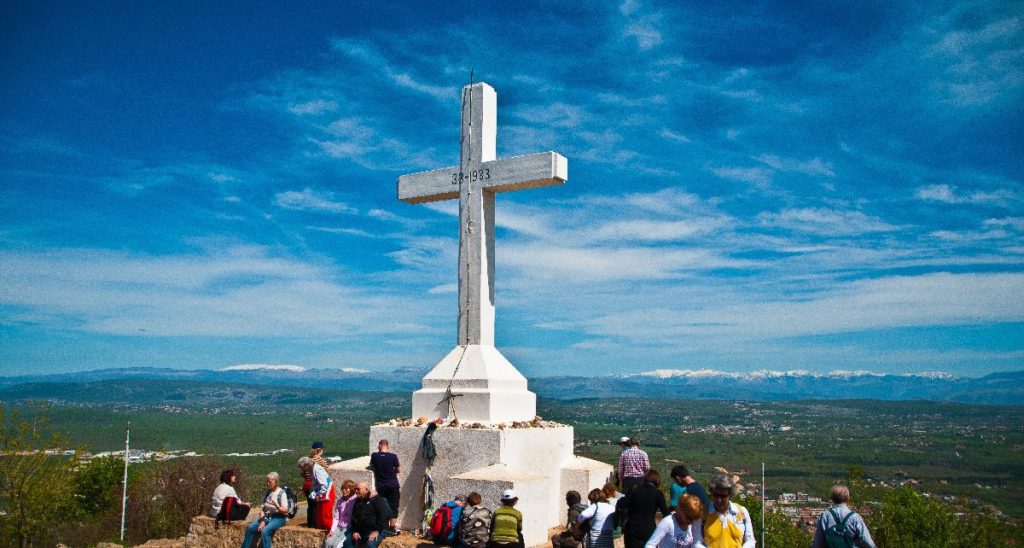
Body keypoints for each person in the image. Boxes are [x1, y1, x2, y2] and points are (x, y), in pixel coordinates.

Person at [694, 475, 754, 548]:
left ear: (730, 496)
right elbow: (696, 542)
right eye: (715, 495)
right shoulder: (703, 513)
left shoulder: (741, 512)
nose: (719, 500)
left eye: (723, 496)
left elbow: (750, 540)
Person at [811, 485, 876, 548]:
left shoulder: (825, 516)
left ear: (832, 499)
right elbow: (866, 540)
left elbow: (818, 542)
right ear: (848, 499)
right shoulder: (855, 517)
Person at [622, 469, 670, 548]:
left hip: (632, 529)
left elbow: (623, 504)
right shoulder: (658, 493)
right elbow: (665, 513)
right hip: (649, 529)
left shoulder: (634, 490)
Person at [241, 472, 289, 548]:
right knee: (250, 528)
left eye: (270, 482)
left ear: (276, 482)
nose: (268, 483)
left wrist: (276, 505)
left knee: (265, 531)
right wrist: (263, 520)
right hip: (267, 517)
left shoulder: (281, 493)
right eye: (267, 481)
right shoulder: (268, 492)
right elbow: (264, 509)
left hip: (279, 517)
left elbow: (285, 510)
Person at [369, 439, 400, 532]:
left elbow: (372, 466)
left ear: (379, 445)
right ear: (388, 446)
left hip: (381, 486)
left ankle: (384, 527)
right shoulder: (393, 456)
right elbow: (398, 470)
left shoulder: (374, 456)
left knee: (383, 506)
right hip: (393, 484)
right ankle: (392, 528)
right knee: (394, 506)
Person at [350, 481, 392, 548]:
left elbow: (384, 516)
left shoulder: (376, 499)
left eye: (358, 489)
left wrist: (376, 530)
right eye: (355, 489)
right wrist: (355, 531)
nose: (356, 491)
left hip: (380, 530)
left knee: (370, 544)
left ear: (366, 490)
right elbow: (354, 518)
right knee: (349, 542)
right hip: (364, 531)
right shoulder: (357, 502)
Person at [300, 455, 335, 530]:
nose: (303, 471)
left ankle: (328, 533)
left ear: (307, 465)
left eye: (303, 468)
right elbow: (315, 484)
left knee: (325, 515)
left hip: (326, 493)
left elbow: (324, 484)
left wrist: (319, 495)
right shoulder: (313, 469)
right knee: (319, 516)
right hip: (321, 493)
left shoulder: (317, 470)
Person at [324, 479, 358, 548]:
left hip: (348, 528)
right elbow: (336, 518)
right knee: (327, 542)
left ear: (351, 489)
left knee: (336, 545)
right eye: (342, 488)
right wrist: (332, 530)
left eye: (346, 488)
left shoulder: (355, 500)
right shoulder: (340, 501)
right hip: (339, 527)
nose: (343, 490)